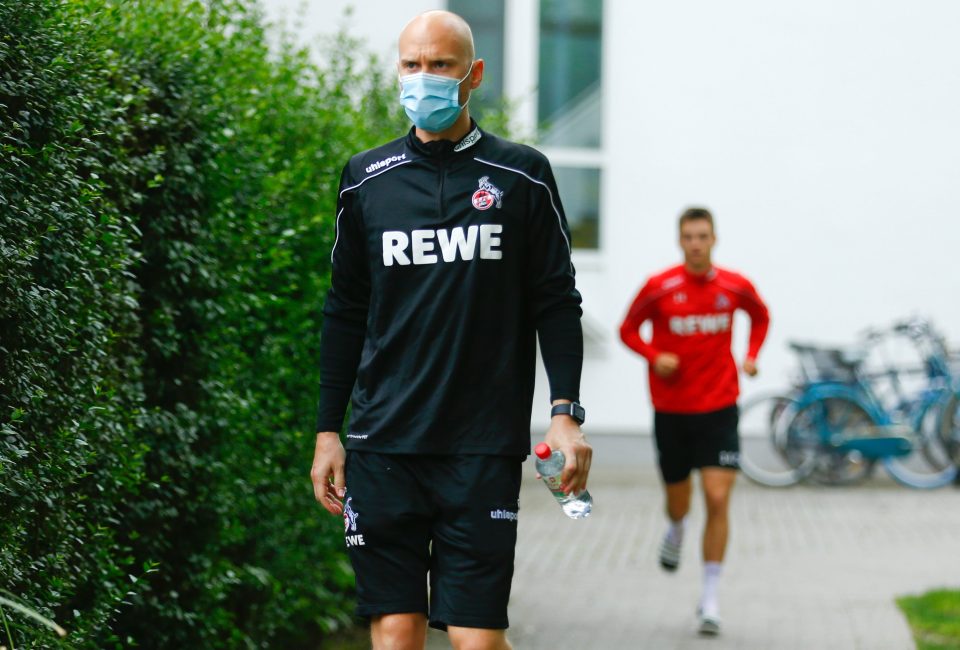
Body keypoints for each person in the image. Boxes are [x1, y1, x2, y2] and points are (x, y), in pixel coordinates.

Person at [310, 11, 591, 650]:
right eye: (413, 64)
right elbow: (345, 311)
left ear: (473, 75)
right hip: (383, 444)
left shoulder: (522, 176)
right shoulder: (365, 180)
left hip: (480, 447)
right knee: (396, 631)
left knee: (476, 639)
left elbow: (556, 301)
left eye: (440, 65)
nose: (424, 79)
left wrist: (565, 413)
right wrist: (329, 431)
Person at [619, 207, 769, 636]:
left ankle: (710, 598)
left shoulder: (734, 286)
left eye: (703, 236)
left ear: (714, 239)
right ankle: (676, 527)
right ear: (680, 241)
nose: (697, 243)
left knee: (719, 499)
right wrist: (653, 356)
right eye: (689, 237)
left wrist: (752, 356)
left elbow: (761, 316)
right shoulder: (659, 287)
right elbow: (627, 329)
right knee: (680, 501)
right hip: (672, 411)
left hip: (720, 408)